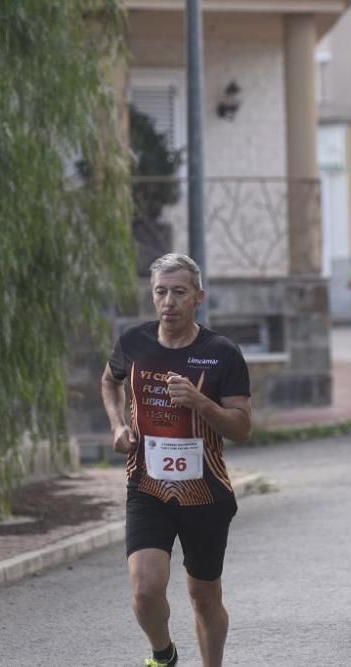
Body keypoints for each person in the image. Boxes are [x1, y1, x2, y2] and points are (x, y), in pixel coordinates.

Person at [100, 253, 251, 667]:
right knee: (145, 589)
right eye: (161, 292)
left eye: (179, 292)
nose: (169, 301)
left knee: (204, 598)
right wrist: (117, 425)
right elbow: (109, 382)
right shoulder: (133, 343)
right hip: (146, 486)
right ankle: (162, 653)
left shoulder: (222, 353)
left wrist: (200, 402)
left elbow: (241, 427)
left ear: (198, 297)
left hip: (205, 492)